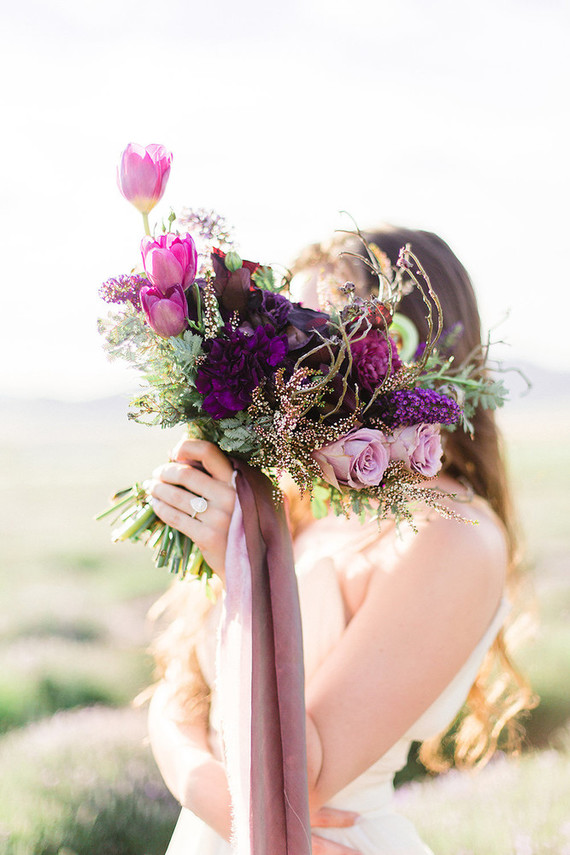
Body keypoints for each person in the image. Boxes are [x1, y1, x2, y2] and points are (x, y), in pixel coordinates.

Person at [146, 225, 533, 855]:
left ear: (406, 353)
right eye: (287, 346)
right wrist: (224, 808)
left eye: (320, 345)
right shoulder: (300, 503)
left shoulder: (455, 540)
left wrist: (242, 567)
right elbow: (178, 699)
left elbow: (303, 780)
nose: (292, 377)